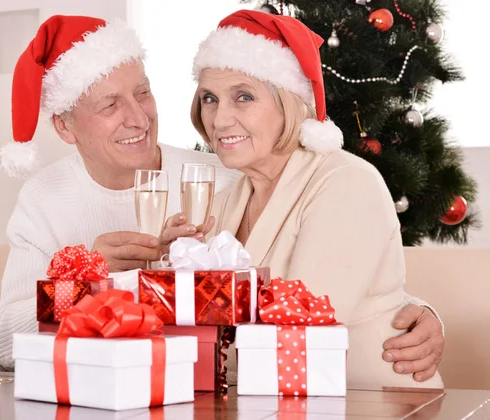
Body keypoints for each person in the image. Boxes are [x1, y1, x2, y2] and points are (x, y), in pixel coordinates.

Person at [0, 13, 442, 377]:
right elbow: (3, 340)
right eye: (110, 103)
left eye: (144, 92)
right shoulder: (45, 200)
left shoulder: (215, 176)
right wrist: (100, 285)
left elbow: (320, 300)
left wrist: (410, 308)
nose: (138, 117)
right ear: (65, 126)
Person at [160, 10, 444, 387]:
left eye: (243, 96)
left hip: (372, 400)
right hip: (265, 401)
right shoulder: (229, 198)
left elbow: (302, 324)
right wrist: (168, 271)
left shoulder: (346, 181)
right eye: (210, 98)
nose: (219, 119)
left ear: (289, 103)